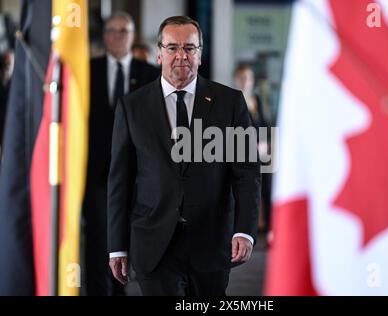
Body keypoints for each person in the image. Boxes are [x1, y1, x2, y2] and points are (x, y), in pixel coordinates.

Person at [108, 16, 260, 296]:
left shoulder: (230, 103)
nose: (181, 56)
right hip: (153, 245)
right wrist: (117, 244)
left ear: (200, 54)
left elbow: (246, 173)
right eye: (172, 47)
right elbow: (120, 181)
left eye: (189, 48)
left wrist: (244, 230)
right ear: (159, 53)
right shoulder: (132, 107)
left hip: (211, 243)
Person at [83, 11, 160, 296]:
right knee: (98, 244)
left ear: (132, 35)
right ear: (104, 37)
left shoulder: (150, 74)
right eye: (112, 31)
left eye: (124, 31)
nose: (118, 36)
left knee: (130, 246)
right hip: (96, 174)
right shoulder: (87, 70)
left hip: (139, 176)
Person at [234, 64, 272, 233]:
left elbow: (264, 124)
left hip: (262, 151)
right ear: (236, 79)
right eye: (242, 78)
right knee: (249, 190)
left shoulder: (256, 99)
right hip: (244, 153)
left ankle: (269, 226)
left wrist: (266, 143)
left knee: (267, 187)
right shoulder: (234, 101)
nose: (245, 81)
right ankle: (249, 227)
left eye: (248, 78)